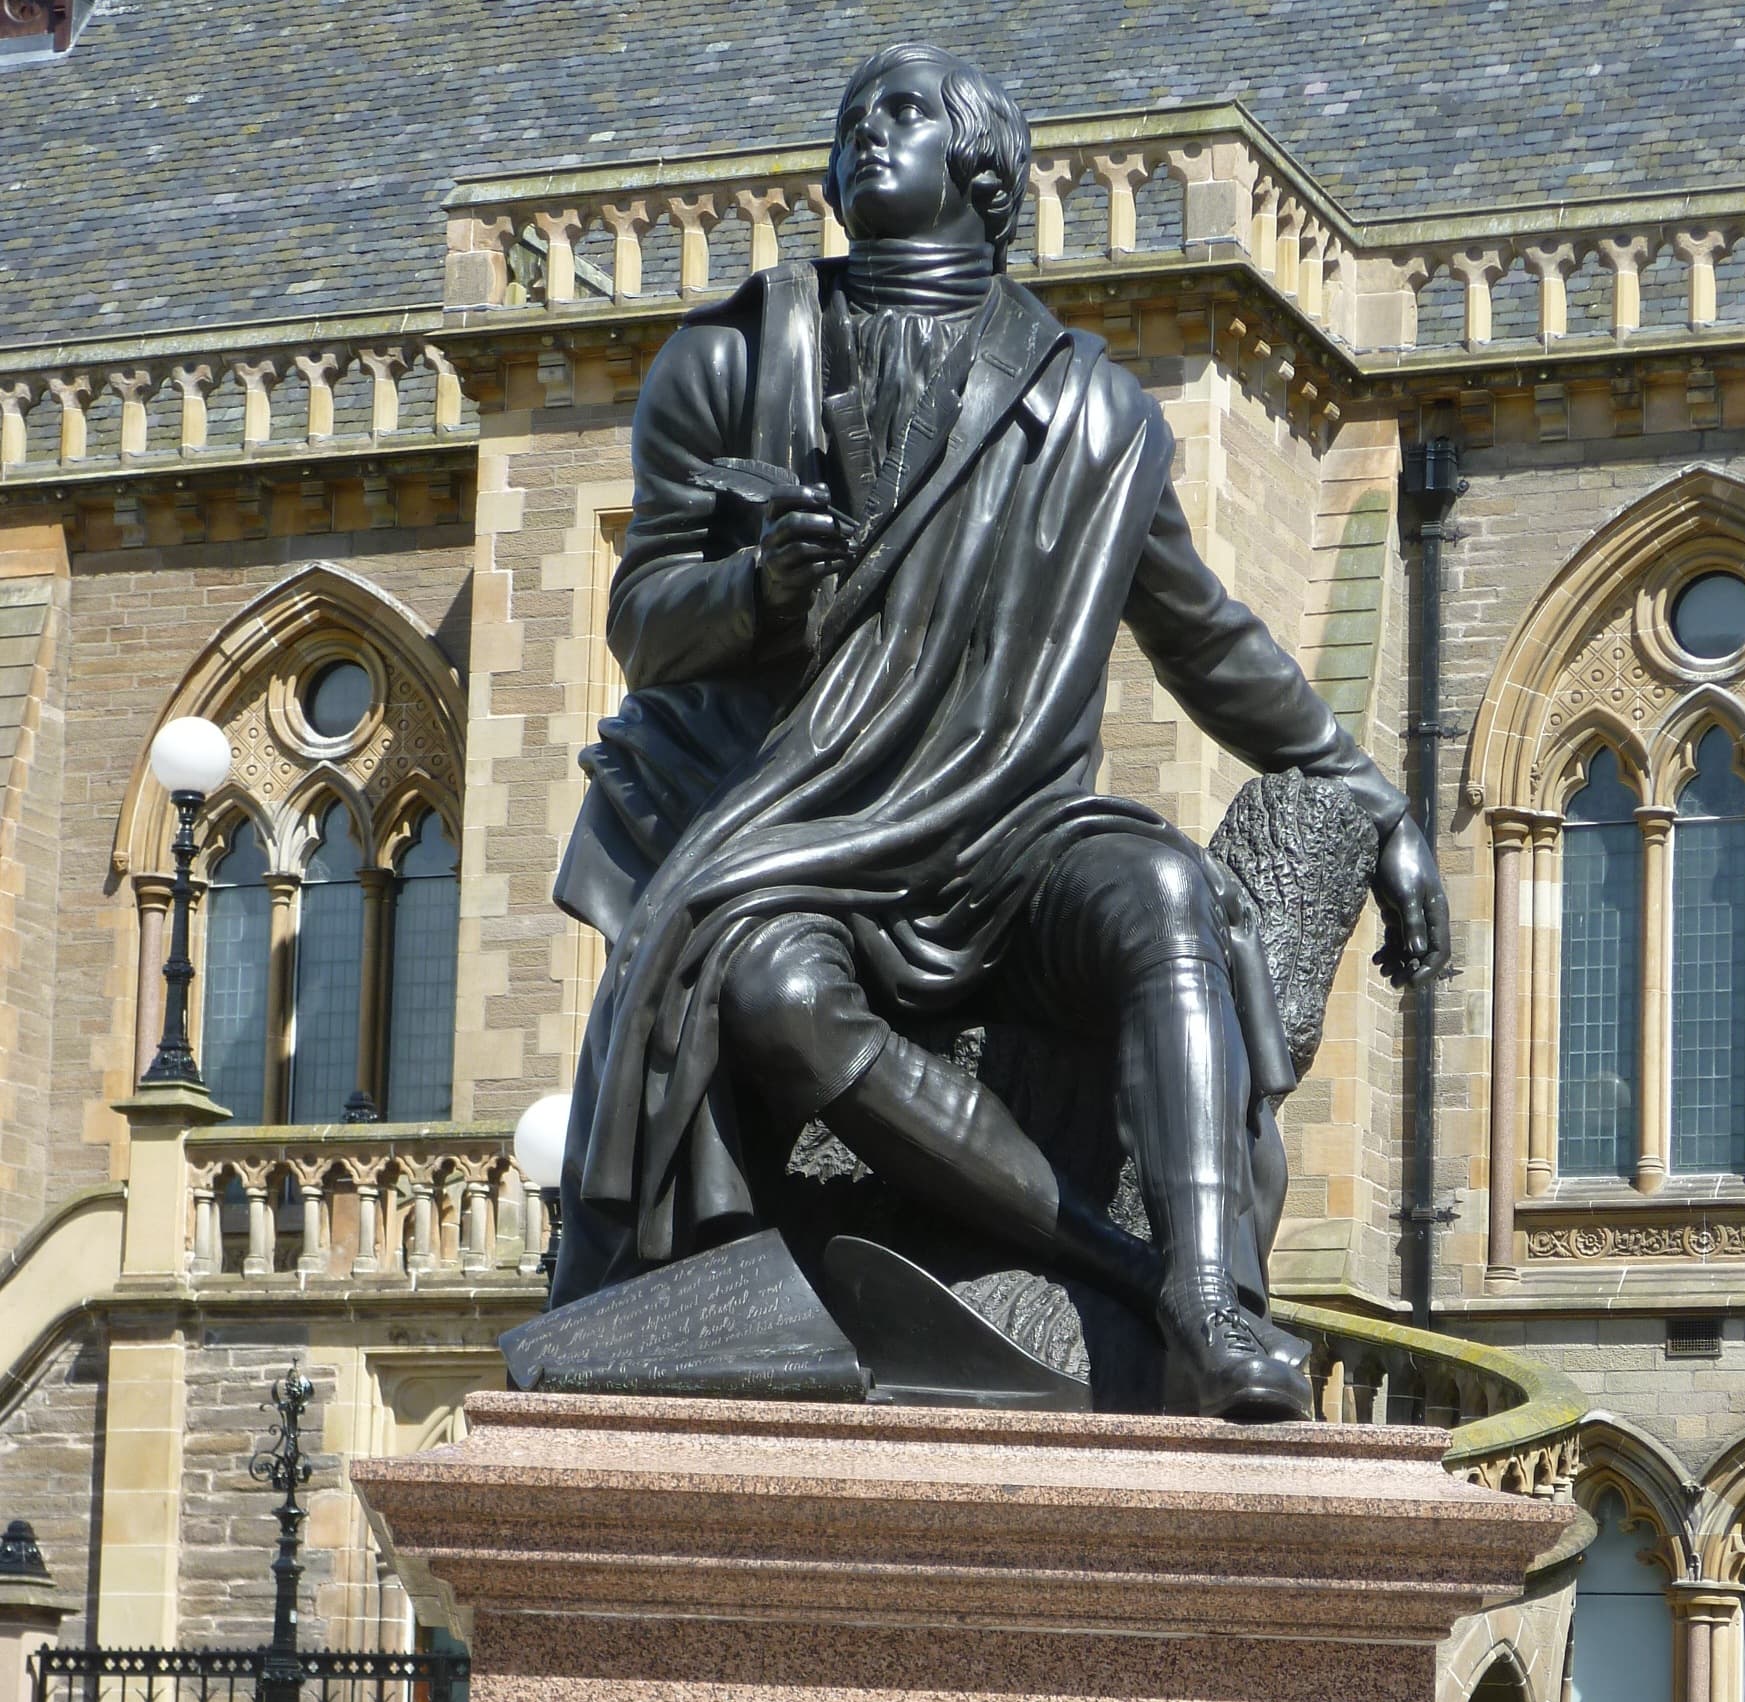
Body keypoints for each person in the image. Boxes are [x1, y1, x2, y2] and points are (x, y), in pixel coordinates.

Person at [552, 41, 1449, 1418]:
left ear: (984, 166)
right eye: (848, 119)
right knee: (773, 997)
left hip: (1011, 839)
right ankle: (1114, 1263)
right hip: (801, 833)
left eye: (898, 113)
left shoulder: (1092, 409)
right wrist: (760, 587)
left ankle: (1211, 1304)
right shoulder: (729, 358)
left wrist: (1358, 781)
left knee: (1159, 892)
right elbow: (646, 623)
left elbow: (1202, 632)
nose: (860, 136)